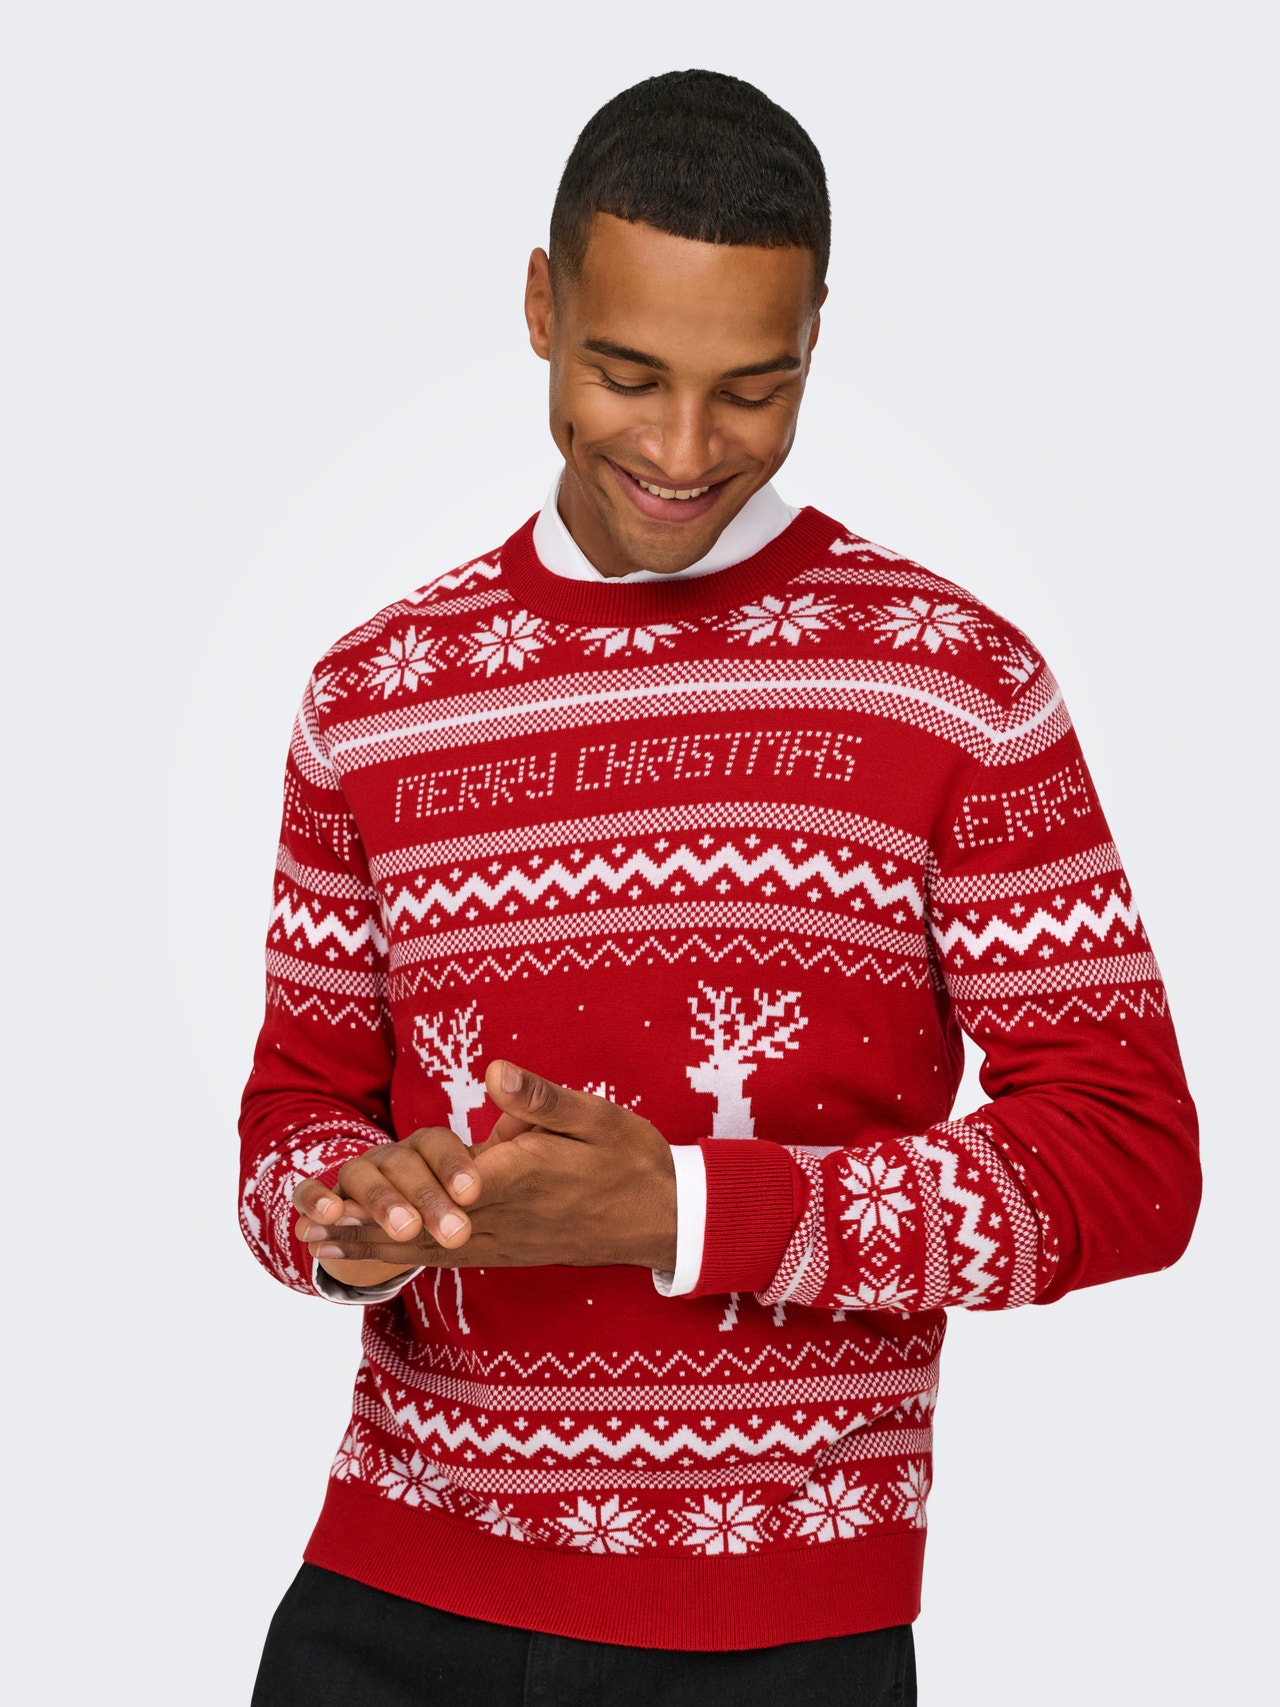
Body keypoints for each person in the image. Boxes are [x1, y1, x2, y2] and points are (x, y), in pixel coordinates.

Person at [240, 69, 1199, 1706]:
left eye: (754, 391)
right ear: (540, 308)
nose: (683, 452)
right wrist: (352, 1221)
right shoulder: (375, 696)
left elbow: (1129, 1161)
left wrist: (688, 1212)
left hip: (774, 1638)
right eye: (626, 375)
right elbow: (293, 1119)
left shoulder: (953, 688)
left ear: (815, 340)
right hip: (384, 1605)